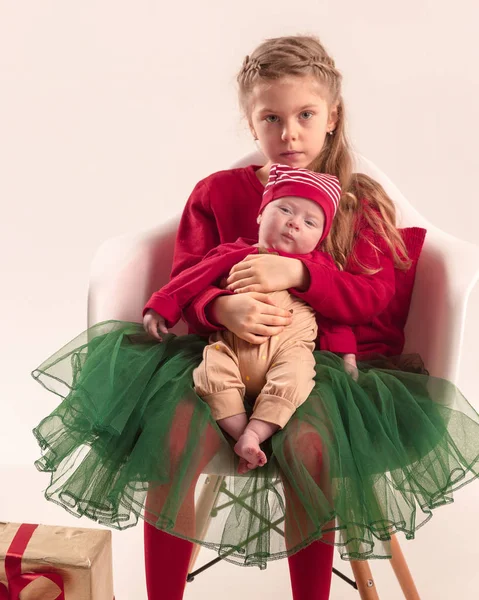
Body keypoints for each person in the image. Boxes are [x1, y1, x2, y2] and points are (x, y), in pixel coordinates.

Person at [31, 35, 479, 600]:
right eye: (271, 117)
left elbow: (374, 298)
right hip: (219, 353)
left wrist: (300, 276)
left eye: (305, 115)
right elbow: (186, 276)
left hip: (317, 366)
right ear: (251, 123)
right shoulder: (217, 193)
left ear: (332, 117)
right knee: (173, 436)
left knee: (312, 446)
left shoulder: (358, 201)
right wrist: (219, 305)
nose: (288, 133)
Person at [143, 164, 358, 473]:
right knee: (212, 371)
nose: (294, 224)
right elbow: (191, 279)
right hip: (231, 347)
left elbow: (334, 316)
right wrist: (161, 306)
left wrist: (346, 354)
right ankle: (240, 431)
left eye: (309, 222)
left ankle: (255, 433)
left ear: (320, 238)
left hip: (288, 351)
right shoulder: (234, 252)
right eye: (284, 209)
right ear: (260, 214)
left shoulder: (317, 270)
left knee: (297, 376)